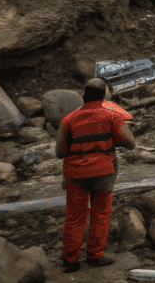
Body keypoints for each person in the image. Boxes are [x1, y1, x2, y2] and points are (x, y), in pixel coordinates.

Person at [56, 78, 135, 272]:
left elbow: (60, 152)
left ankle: (70, 258)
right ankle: (95, 255)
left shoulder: (69, 119)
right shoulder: (112, 116)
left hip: (75, 174)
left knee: (75, 216)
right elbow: (130, 143)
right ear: (103, 96)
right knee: (101, 214)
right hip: (103, 172)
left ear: (84, 95)